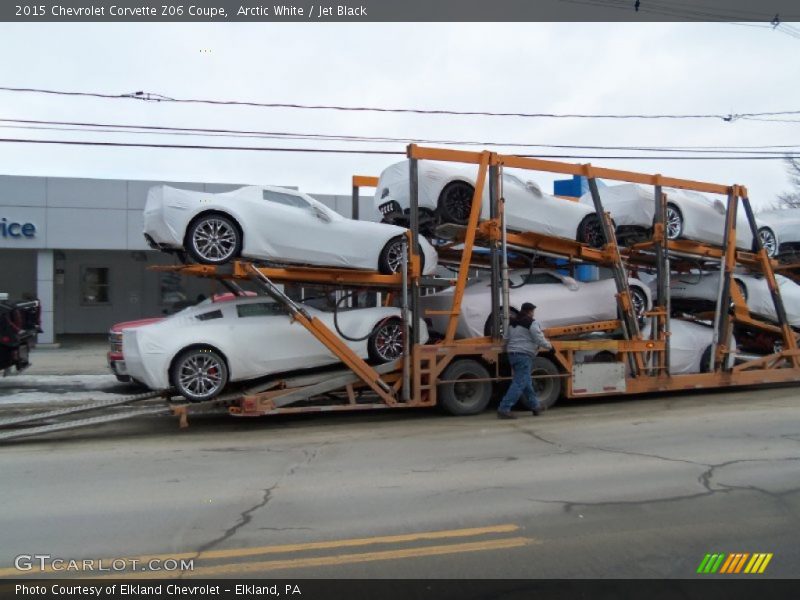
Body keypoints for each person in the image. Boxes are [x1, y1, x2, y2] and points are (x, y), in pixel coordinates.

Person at [497, 302, 553, 419]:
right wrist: (550, 347)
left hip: (512, 354)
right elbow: (539, 339)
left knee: (525, 381)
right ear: (530, 311)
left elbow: (506, 338)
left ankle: (535, 406)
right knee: (519, 383)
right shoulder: (532, 323)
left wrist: (503, 351)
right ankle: (504, 408)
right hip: (524, 355)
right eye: (533, 311)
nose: (533, 314)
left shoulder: (512, 323)